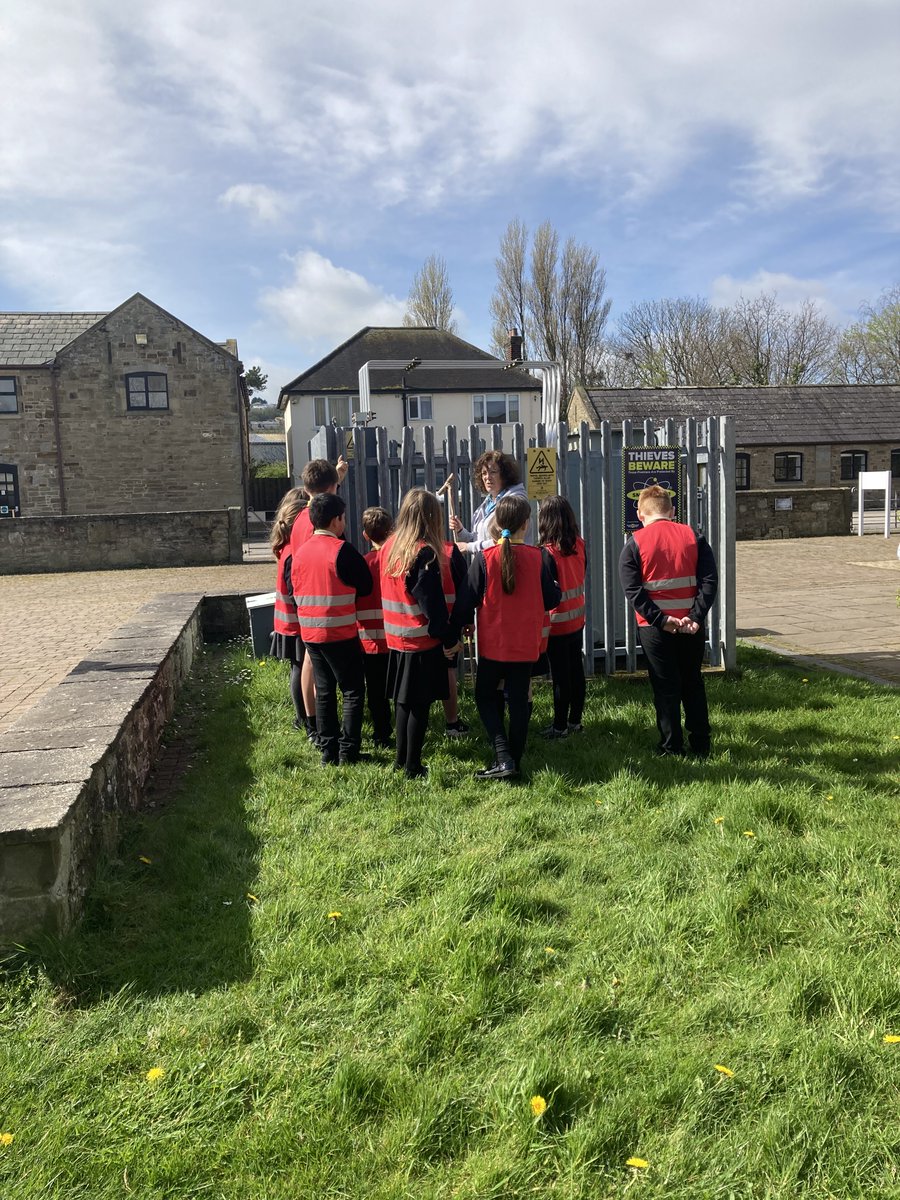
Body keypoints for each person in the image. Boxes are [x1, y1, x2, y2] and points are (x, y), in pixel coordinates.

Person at [456, 494, 560, 780]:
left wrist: (463, 623)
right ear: (526, 524)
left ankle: (504, 757)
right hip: (526, 645)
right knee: (518, 701)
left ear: (497, 523)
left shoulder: (485, 559)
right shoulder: (540, 557)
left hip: (493, 646)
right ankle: (513, 760)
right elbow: (552, 598)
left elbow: (467, 599)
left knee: (485, 697)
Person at [618, 484, 718, 758]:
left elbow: (633, 591)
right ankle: (701, 745)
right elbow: (709, 581)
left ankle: (671, 747)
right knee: (692, 683)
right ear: (672, 511)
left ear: (640, 514)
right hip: (690, 626)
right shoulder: (693, 537)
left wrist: (661, 620)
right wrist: (695, 617)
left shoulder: (634, 544)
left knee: (665, 686)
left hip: (654, 628)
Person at [381, 489, 462, 779]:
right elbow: (433, 606)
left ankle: (401, 760)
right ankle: (413, 766)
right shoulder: (423, 553)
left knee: (404, 702)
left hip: (397, 639)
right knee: (420, 706)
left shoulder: (389, 547)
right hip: (421, 640)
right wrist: (450, 639)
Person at [293, 492, 372, 766]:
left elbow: (295, 590)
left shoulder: (300, 552)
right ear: (337, 520)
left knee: (324, 690)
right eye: (343, 518)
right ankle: (348, 752)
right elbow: (366, 585)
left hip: (311, 634)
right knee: (352, 691)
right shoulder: (342, 550)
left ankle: (328, 751)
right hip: (339, 632)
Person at [289, 456, 348, 740]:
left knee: (308, 663)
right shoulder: (318, 518)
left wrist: (336, 478)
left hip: (306, 601)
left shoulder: (301, 516)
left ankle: (312, 723)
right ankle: (317, 726)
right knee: (315, 667)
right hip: (322, 604)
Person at [538, 494, 587, 739]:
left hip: (556, 624)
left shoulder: (546, 554)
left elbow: (546, 593)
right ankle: (575, 721)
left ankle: (559, 726)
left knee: (560, 676)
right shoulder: (580, 544)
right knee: (576, 670)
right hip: (577, 619)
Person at [268, 487, 311, 735]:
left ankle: (303, 716)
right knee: (300, 668)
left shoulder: (284, 546)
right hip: (297, 621)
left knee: (298, 667)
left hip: (287, 620)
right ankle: (304, 717)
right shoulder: (295, 551)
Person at [357, 506, 394, 750]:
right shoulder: (396, 559)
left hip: (368, 640)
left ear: (365, 535)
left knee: (376, 692)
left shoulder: (363, 563)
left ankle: (381, 733)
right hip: (396, 638)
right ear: (391, 531)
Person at [449, 450, 529, 555]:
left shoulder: (514, 501)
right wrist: (461, 531)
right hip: (490, 565)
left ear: (505, 475)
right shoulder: (487, 503)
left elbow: (504, 540)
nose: (487, 477)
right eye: (484, 473)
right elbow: (479, 539)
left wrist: (469, 547)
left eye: (493, 472)